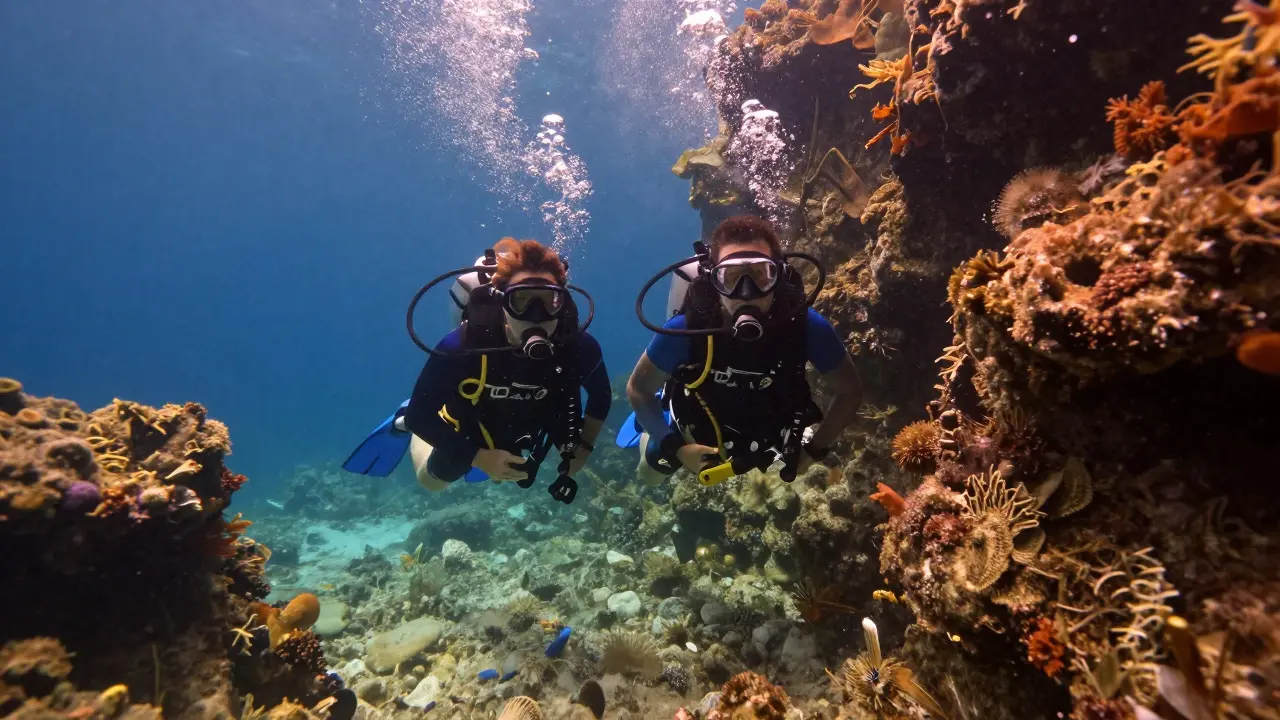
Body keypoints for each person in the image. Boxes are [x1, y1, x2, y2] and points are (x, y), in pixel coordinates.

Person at [344, 238, 610, 504]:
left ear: (561, 304)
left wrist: (585, 446)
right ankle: (402, 419)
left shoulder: (580, 346)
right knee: (432, 482)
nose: (536, 315)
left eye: (549, 302)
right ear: (503, 303)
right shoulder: (463, 345)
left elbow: (601, 395)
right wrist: (480, 457)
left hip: (537, 412)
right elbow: (420, 417)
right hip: (472, 415)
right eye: (521, 301)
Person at [626, 215, 862, 485]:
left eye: (760, 274)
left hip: (772, 436)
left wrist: (815, 449)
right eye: (731, 277)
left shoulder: (805, 326)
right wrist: (675, 447)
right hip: (695, 434)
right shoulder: (686, 330)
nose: (746, 292)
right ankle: (650, 429)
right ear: (714, 281)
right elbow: (638, 389)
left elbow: (850, 391)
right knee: (649, 474)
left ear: (778, 276)